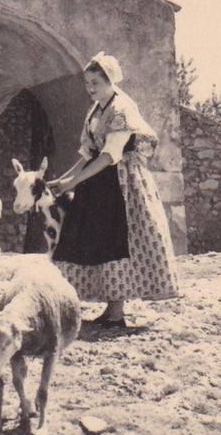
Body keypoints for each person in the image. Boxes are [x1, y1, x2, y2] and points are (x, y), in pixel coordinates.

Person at [49, 52, 181, 328]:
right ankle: (111, 307)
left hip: (121, 184)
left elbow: (109, 155)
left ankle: (117, 312)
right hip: (97, 182)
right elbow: (88, 153)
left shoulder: (121, 109)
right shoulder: (95, 111)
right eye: (87, 83)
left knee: (117, 239)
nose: (90, 88)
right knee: (97, 239)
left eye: (96, 82)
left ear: (110, 81)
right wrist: (64, 179)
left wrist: (73, 183)